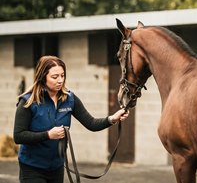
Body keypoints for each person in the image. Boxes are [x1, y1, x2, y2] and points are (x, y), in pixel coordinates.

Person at [13, 55, 129, 183]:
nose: (60, 80)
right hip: (32, 168)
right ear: (42, 77)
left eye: (62, 76)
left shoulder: (69, 99)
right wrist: (48, 135)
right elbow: (19, 136)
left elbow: (91, 123)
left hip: (56, 167)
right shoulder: (28, 102)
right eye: (55, 77)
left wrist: (112, 118)